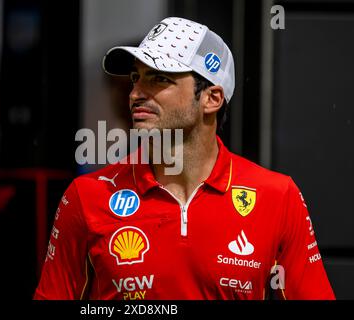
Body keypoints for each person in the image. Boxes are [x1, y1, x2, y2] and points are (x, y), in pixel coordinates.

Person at [34, 17, 335, 300]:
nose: (135, 93)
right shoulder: (87, 196)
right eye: (136, 78)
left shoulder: (278, 196)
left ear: (212, 98)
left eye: (159, 78)